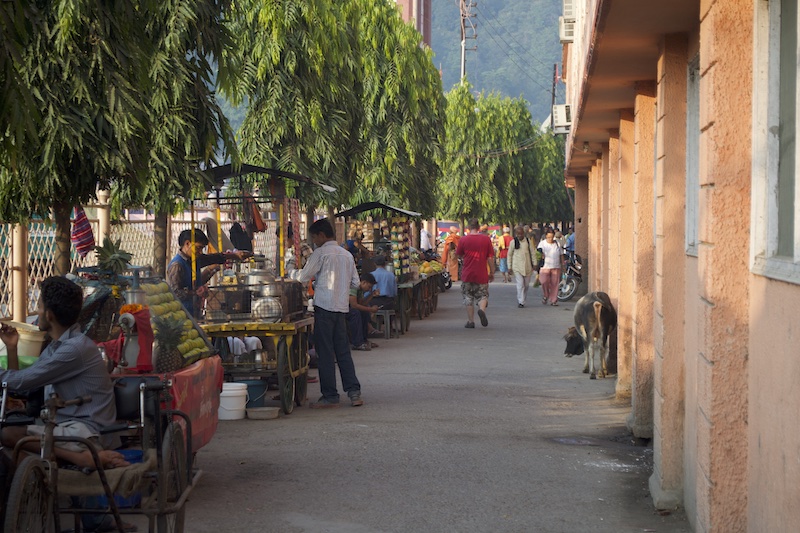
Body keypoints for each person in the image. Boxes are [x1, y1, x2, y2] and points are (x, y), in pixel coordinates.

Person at [0, 276, 127, 471]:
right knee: (9, 450)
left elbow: (21, 381)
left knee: (8, 435)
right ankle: (42, 481)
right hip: (65, 427)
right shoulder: (55, 347)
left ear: (49, 315)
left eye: (40, 307)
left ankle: (81, 458)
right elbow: (21, 384)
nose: (38, 312)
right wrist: (11, 348)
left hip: (87, 432)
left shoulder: (74, 349)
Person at [294, 219, 364, 408]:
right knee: (343, 352)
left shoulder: (321, 253)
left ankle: (330, 395)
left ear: (322, 235)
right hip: (341, 309)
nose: (314, 240)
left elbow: (303, 277)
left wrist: (292, 275)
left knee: (325, 353)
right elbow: (356, 283)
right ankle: (354, 393)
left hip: (324, 308)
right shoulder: (346, 255)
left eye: (315, 236)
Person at [167, 229, 251, 317]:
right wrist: (195, 292)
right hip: (181, 314)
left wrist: (235, 255)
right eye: (198, 248)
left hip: (195, 312)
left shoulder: (195, 259)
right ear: (187, 244)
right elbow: (175, 293)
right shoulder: (177, 265)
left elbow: (213, 258)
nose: (200, 252)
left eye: (202, 249)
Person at [456, 218, 495, 328]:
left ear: (468, 228)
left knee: (468, 297)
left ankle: (471, 321)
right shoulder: (486, 239)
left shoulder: (463, 240)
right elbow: (490, 258)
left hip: (467, 273)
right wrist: (492, 272)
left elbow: (458, 254)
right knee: (482, 295)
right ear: (478, 228)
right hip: (481, 273)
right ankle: (481, 310)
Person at [507, 225, 537, 308]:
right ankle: (521, 301)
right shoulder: (513, 242)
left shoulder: (528, 241)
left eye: (521, 234)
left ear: (524, 233)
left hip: (527, 266)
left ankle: (523, 298)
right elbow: (509, 255)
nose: (519, 236)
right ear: (516, 234)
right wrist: (509, 266)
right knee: (520, 284)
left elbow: (532, 252)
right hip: (517, 266)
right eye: (518, 234)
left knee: (526, 285)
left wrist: (535, 263)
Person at [348, 273, 379, 351]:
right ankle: (357, 343)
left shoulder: (360, 289)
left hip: (350, 307)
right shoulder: (354, 286)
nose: (369, 289)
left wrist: (371, 295)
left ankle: (364, 340)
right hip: (343, 308)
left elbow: (362, 304)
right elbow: (354, 305)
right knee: (356, 313)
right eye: (369, 287)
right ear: (363, 282)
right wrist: (371, 309)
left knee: (364, 312)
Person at [538, 228, 564, 306]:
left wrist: (563, 264)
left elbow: (561, 254)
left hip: (556, 266)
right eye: (548, 237)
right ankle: (546, 295)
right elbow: (538, 253)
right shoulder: (542, 243)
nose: (550, 239)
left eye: (552, 237)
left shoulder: (557, 243)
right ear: (546, 236)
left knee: (555, 283)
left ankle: (553, 300)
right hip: (545, 267)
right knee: (544, 281)